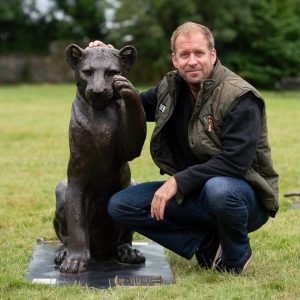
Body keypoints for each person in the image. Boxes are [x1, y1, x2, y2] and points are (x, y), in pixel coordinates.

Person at [89, 22, 279, 274]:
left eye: (199, 53)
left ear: (212, 54)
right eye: (184, 55)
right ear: (175, 59)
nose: (192, 61)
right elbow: (132, 103)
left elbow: (235, 162)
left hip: (243, 198)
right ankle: (208, 245)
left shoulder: (241, 97)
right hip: (194, 193)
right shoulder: (169, 88)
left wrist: (177, 182)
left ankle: (236, 255)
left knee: (219, 189)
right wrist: (108, 62)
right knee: (121, 205)